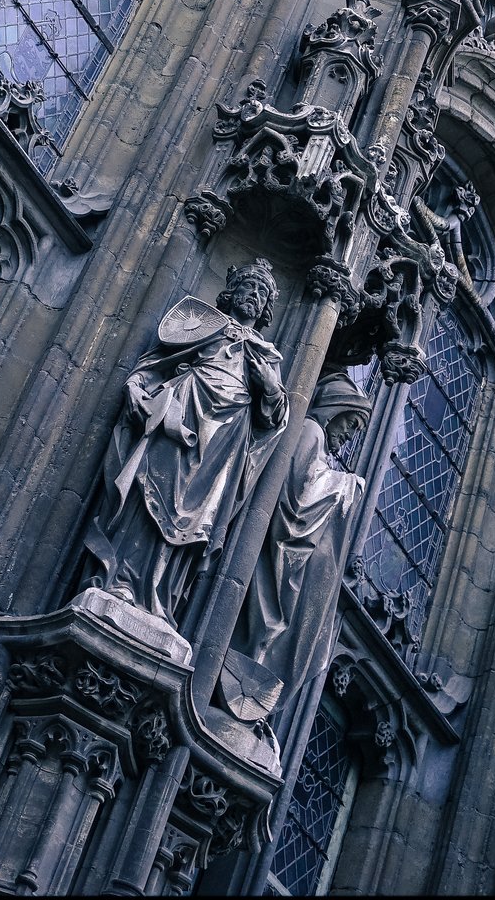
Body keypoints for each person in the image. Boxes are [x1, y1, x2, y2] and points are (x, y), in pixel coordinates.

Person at [81, 259, 288, 627]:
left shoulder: (266, 355)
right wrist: (135, 384)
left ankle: (160, 599)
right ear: (232, 291)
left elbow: (275, 418)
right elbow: (156, 361)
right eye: (249, 286)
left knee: (198, 522)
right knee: (151, 493)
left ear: (268, 307)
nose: (253, 296)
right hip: (183, 414)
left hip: (226, 441)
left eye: (262, 293)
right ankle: (123, 580)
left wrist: (269, 387)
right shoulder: (207, 326)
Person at [236, 371, 371, 732]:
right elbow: (296, 501)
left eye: (356, 430)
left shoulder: (320, 443)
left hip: (292, 557)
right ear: (333, 409)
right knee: (269, 617)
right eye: (349, 423)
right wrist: (344, 485)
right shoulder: (310, 430)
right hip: (281, 553)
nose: (347, 434)